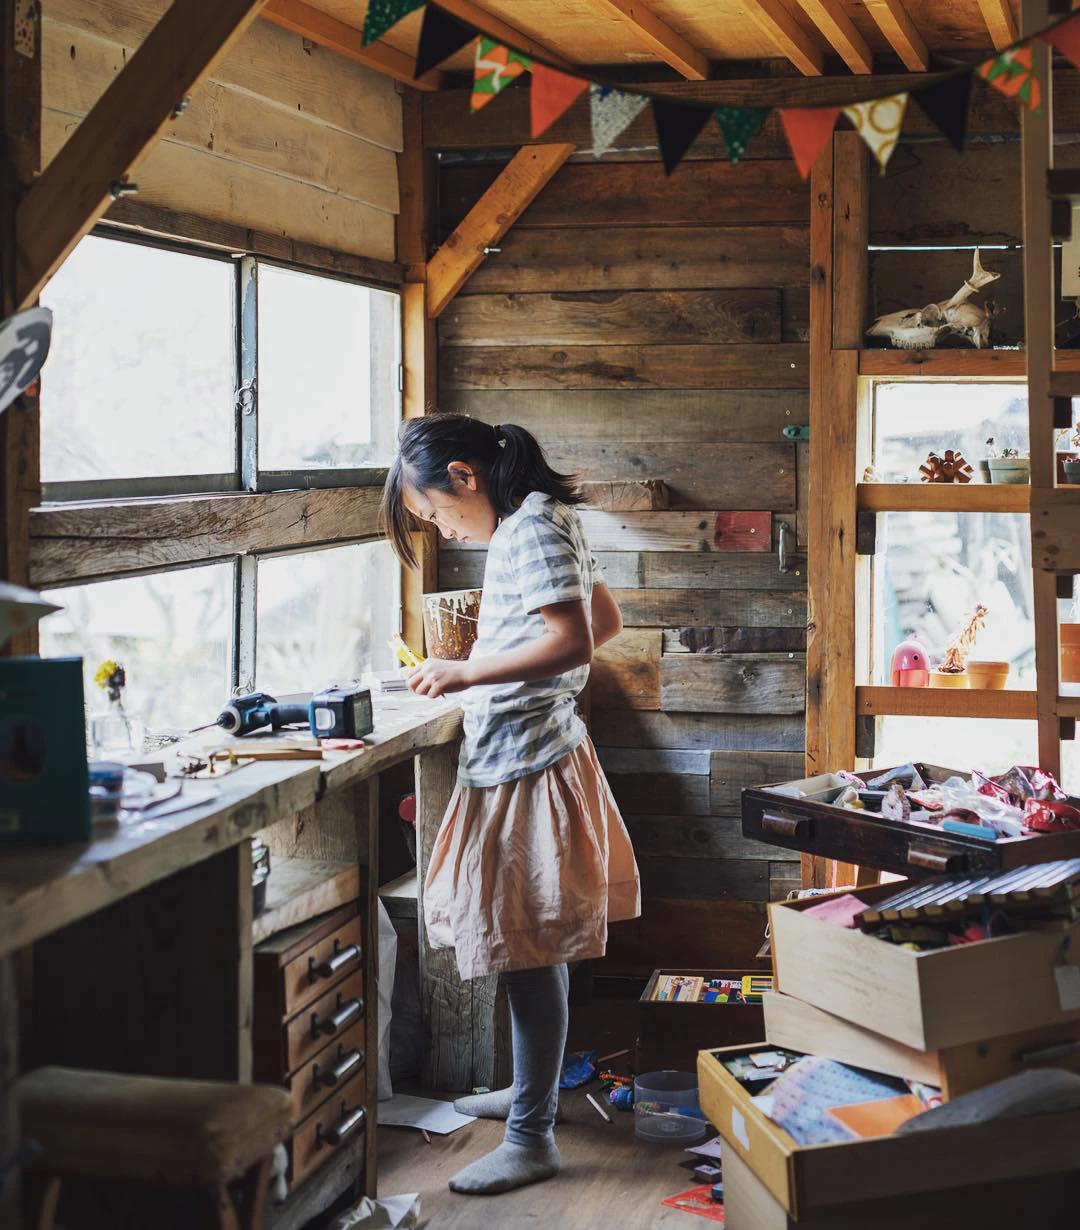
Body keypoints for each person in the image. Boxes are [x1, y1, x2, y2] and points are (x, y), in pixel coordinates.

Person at [381, 414, 641, 1196]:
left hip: (525, 762)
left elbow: (574, 644)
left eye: (433, 511)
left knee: (527, 954)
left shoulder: (526, 531)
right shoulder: (545, 516)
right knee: (532, 946)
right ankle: (533, 1089)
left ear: (464, 476)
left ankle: (532, 1136)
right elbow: (606, 619)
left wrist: (465, 673)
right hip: (532, 752)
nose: (441, 527)